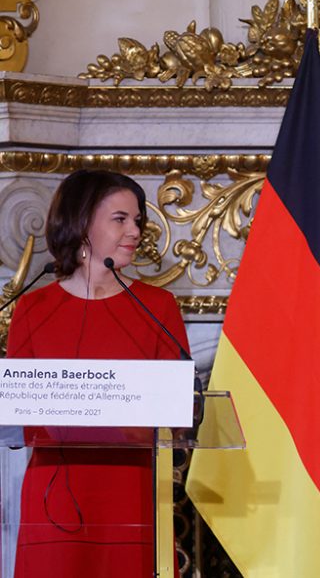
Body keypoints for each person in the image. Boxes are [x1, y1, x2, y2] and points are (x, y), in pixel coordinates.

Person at [6, 169, 188, 577]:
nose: (135, 231)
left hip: (131, 500)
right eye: (120, 219)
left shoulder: (157, 308)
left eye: (137, 220)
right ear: (82, 222)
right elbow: (20, 418)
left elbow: (179, 415)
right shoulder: (33, 309)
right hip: (54, 506)